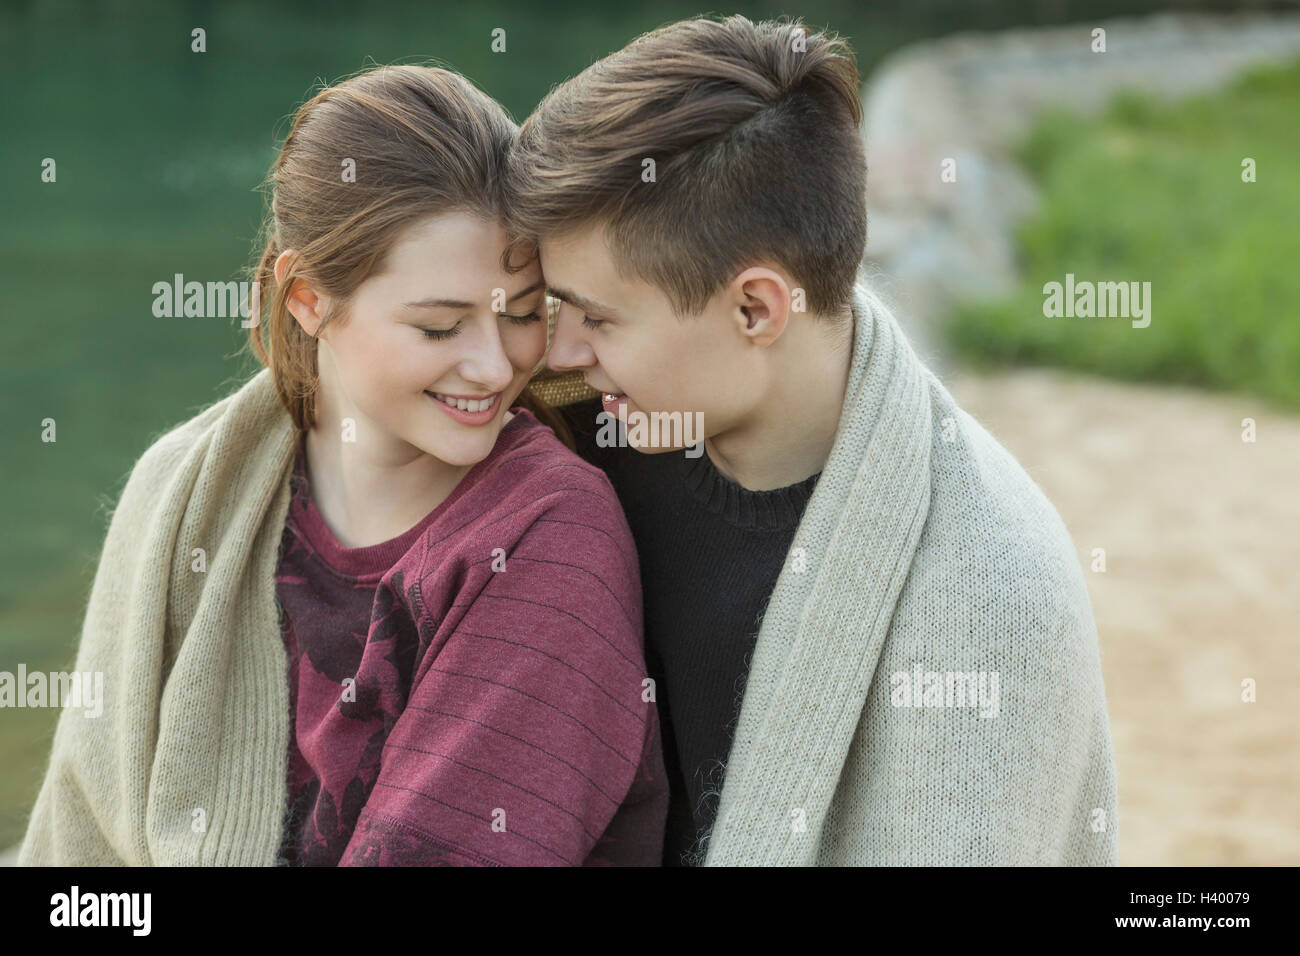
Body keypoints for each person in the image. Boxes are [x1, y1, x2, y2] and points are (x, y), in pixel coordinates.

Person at [504, 16, 1119, 865]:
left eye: (597, 317)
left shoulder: (990, 602)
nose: (560, 351)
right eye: (552, 306)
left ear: (756, 307)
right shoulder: (575, 420)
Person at [18, 64, 666, 867]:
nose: (496, 368)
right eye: (439, 328)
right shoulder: (182, 490)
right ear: (307, 299)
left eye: (525, 314)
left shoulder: (549, 532)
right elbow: (78, 848)